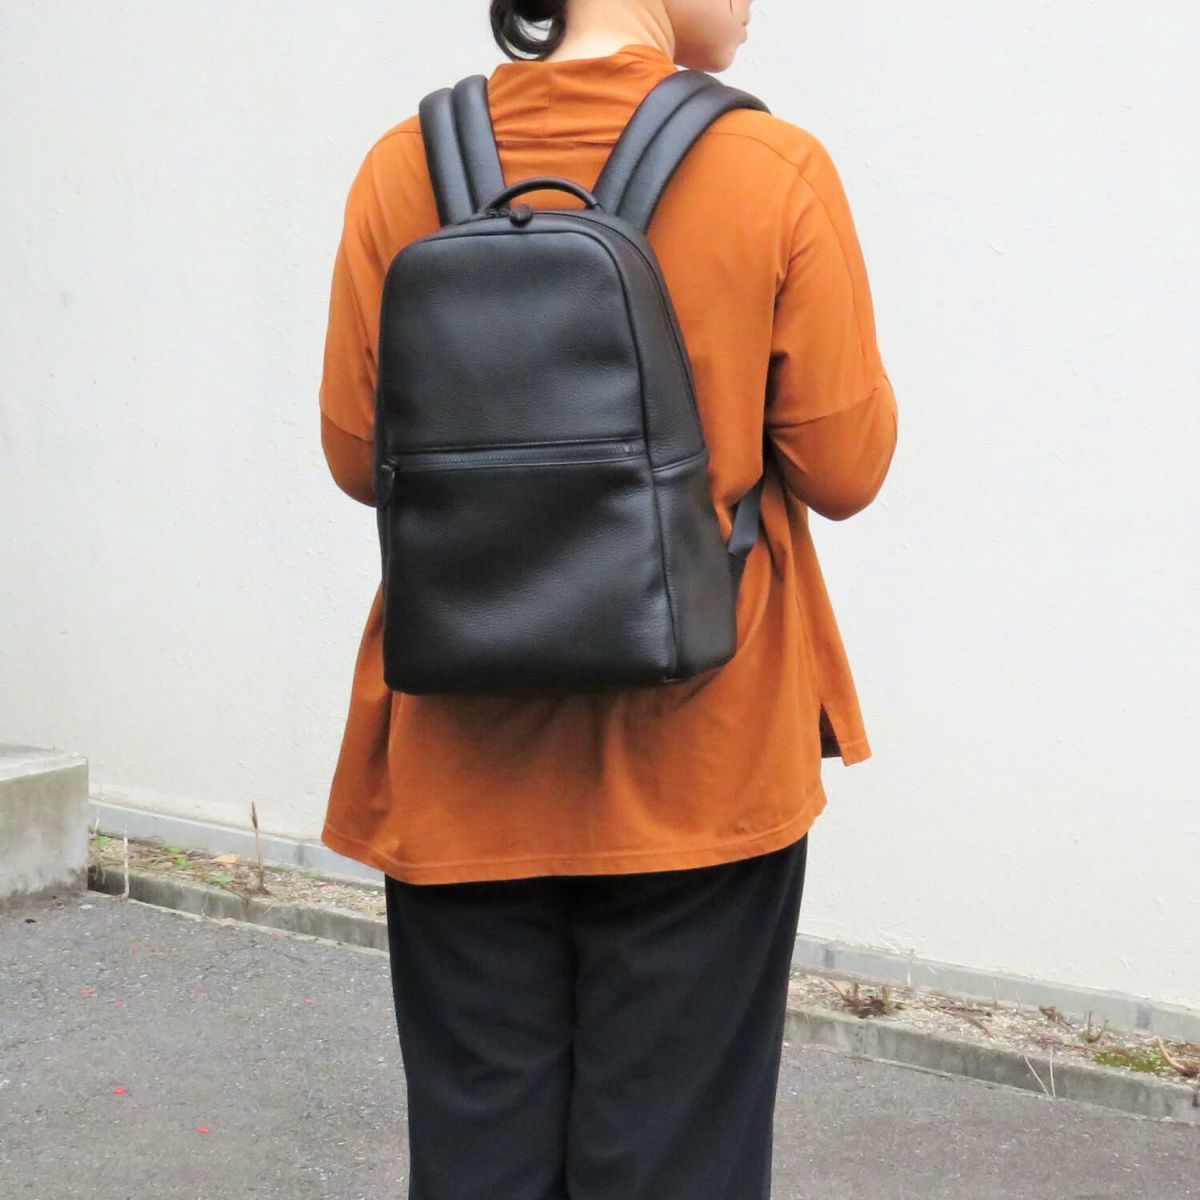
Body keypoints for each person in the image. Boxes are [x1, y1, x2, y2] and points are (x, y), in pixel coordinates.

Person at [317, 1, 898, 1195]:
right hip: (702, 754)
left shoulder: (404, 166)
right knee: (678, 1157)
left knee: (479, 1156)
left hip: (460, 760)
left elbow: (357, 458)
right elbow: (846, 470)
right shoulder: (769, 166)